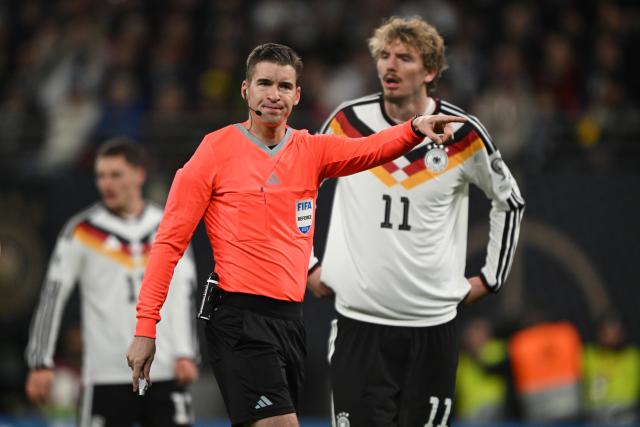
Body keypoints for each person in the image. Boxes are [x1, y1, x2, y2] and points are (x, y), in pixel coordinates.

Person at [125, 42, 465, 427]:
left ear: (297, 94)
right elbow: (169, 243)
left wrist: (414, 128)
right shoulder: (214, 151)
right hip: (238, 319)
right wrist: (145, 328)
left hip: (290, 323)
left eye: (284, 86)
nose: (274, 95)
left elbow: (369, 149)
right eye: (264, 83)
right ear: (245, 90)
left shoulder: (311, 150)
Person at [307, 16, 525, 427]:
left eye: (404, 58)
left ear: (429, 71)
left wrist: (491, 277)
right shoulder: (346, 123)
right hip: (359, 323)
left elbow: (509, 201)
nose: (389, 66)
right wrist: (307, 263)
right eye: (384, 56)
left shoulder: (462, 132)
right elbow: (299, 188)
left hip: (432, 328)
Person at [25, 138, 199, 427]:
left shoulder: (167, 227)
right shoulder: (81, 231)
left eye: (115, 175)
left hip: (165, 370)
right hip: (106, 374)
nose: (107, 183)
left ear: (139, 175)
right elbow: (52, 298)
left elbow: (186, 294)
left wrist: (187, 353)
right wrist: (40, 361)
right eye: (101, 176)